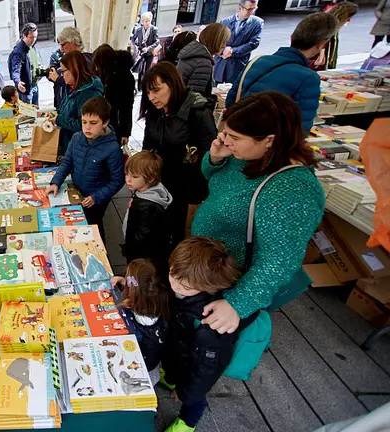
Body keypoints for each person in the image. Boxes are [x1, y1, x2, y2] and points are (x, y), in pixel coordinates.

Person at [191, 91, 325, 337]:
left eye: (234, 137)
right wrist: (215, 159)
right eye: (225, 133)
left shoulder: (292, 189)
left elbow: (279, 260)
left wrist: (237, 304)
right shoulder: (245, 155)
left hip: (229, 280)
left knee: (205, 342)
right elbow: (215, 182)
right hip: (205, 265)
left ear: (269, 140)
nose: (226, 140)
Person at [160, 237, 256, 432]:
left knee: (194, 398)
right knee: (174, 369)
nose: (175, 285)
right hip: (180, 348)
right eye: (172, 274)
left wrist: (186, 393)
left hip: (196, 364)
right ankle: (171, 378)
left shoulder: (211, 323)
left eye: (184, 287)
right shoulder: (184, 279)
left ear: (208, 286)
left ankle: (188, 422)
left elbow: (206, 370)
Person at [140, 62, 216, 248]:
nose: (152, 98)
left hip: (186, 186)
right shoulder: (155, 111)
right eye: (148, 92)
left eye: (156, 90)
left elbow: (209, 154)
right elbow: (148, 144)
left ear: (172, 84)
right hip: (159, 181)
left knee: (179, 235)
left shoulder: (197, 111)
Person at [226, 12, 339, 136]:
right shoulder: (309, 78)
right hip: (270, 145)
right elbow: (300, 128)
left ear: (292, 37)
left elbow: (231, 101)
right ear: (321, 44)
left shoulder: (257, 61)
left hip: (239, 136)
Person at [49, 96, 124, 242]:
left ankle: (101, 252)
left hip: (96, 199)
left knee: (93, 226)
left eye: (93, 123)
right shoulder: (77, 137)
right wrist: (56, 182)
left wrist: (97, 197)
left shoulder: (112, 149)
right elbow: (67, 162)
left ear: (105, 122)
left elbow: (117, 180)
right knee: (75, 225)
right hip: (77, 192)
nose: (87, 127)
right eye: (84, 122)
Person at [110, 259, 169, 386]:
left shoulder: (126, 314)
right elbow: (143, 289)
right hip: (152, 367)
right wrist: (124, 282)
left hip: (135, 370)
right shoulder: (162, 302)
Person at [121, 151, 173, 276]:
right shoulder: (147, 191)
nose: (128, 179)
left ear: (149, 178)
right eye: (127, 174)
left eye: (134, 176)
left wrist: (128, 250)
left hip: (141, 258)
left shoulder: (147, 206)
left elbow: (141, 237)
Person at [54, 51, 104, 156]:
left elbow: (84, 125)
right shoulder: (71, 87)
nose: (61, 75)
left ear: (74, 69)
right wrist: (56, 114)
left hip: (82, 150)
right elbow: (66, 110)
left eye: (63, 71)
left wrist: (59, 119)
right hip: (69, 145)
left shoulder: (89, 94)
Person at [92, 44, 136, 145]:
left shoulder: (125, 78)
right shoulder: (106, 74)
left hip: (115, 123)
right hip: (104, 121)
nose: (96, 69)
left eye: (98, 66)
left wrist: (126, 132)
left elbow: (127, 107)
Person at [214, 0, 264, 84]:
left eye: (254, 8)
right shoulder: (225, 21)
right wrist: (222, 51)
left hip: (237, 63)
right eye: (249, 9)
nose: (251, 12)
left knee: (232, 89)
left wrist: (232, 51)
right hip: (220, 62)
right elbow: (215, 41)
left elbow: (253, 43)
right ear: (240, 8)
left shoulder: (257, 23)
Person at [177, 23, 231, 97]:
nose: (224, 46)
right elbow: (195, 100)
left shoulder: (194, 52)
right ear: (215, 41)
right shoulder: (203, 63)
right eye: (223, 42)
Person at [48, 27, 94, 109]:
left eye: (63, 45)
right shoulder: (74, 60)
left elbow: (79, 83)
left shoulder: (85, 60)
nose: (61, 49)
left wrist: (58, 79)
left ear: (73, 42)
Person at [313, 2, 358, 70]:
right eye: (348, 17)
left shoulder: (334, 26)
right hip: (320, 64)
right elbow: (324, 44)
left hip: (326, 64)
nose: (348, 20)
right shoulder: (328, 25)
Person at [9, 23, 39, 104]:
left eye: (35, 37)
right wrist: (18, 82)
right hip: (25, 89)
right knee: (28, 115)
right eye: (31, 37)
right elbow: (15, 69)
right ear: (24, 36)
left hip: (35, 85)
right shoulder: (18, 51)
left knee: (37, 112)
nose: (34, 40)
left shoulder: (32, 46)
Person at [132, 12, 161, 91]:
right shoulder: (138, 30)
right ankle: (139, 87)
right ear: (142, 22)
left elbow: (157, 41)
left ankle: (146, 86)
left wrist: (148, 48)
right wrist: (137, 46)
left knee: (148, 70)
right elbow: (134, 39)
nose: (147, 23)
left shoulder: (154, 29)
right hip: (141, 51)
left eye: (149, 21)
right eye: (146, 21)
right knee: (140, 69)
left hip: (149, 52)